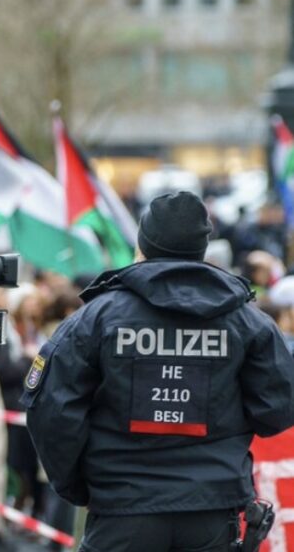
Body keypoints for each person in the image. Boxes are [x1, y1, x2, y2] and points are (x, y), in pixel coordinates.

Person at [22, 192, 294, 552]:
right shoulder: (247, 321)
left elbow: (52, 413)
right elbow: (277, 410)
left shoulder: (96, 318)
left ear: (143, 244)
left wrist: (81, 487)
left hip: (122, 507)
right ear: (201, 247)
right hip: (210, 509)